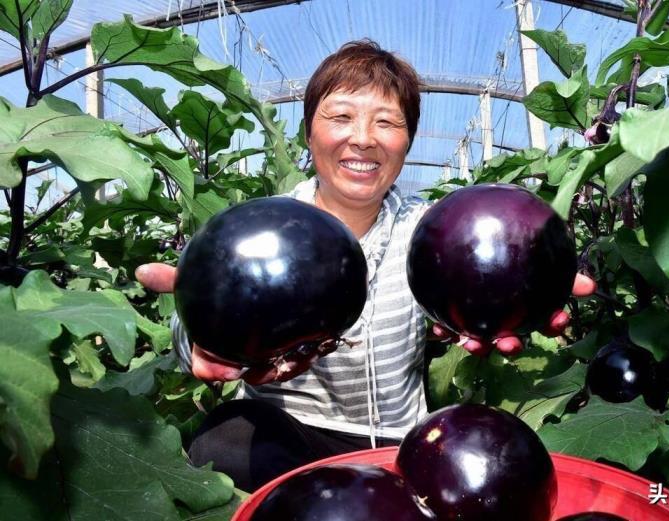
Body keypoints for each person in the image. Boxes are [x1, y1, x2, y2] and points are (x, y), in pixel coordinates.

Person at [135, 39, 595, 492]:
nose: (362, 138)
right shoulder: (260, 229)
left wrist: (528, 275)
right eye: (340, 117)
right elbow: (191, 335)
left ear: (407, 141)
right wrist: (200, 326)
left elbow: (486, 276)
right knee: (228, 441)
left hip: (398, 442)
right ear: (308, 132)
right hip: (284, 431)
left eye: (386, 122)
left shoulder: (433, 234)